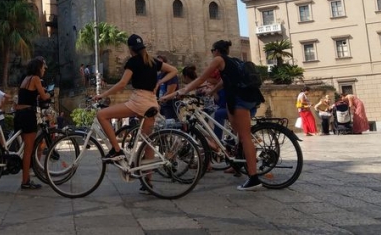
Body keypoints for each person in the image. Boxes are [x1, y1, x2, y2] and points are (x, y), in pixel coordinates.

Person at [161, 39, 265, 191]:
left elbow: (201, 78)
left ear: (216, 51)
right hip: (244, 98)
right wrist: (212, 91)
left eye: (211, 50)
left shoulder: (218, 59)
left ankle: (254, 177)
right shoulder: (232, 61)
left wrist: (184, 90)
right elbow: (224, 80)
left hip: (240, 99)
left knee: (245, 136)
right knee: (237, 135)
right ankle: (237, 163)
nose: (211, 54)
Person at [94, 34, 178, 193]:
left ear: (130, 49)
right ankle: (148, 181)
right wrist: (159, 81)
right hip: (152, 101)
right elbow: (173, 70)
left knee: (102, 115)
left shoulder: (133, 62)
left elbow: (122, 84)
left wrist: (103, 95)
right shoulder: (153, 61)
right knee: (147, 141)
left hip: (139, 101)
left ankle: (116, 151)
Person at [14, 56, 51, 190]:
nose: (44, 70)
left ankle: (27, 177)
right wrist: (49, 94)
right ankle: (25, 181)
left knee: (27, 148)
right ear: (38, 68)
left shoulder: (26, 79)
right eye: (43, 67)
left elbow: (27, 95)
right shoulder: (35, 79)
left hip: (19, 115)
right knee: (28, 151)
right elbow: (43, 96)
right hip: (28, 115)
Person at [154, 55, 179, 121]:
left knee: (171, 123)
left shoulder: (171, 75)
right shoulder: (159, 75)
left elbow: (171, 91)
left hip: (170, 104)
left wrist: (161, 100)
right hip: (162, 104)